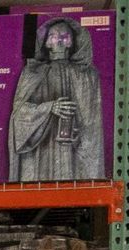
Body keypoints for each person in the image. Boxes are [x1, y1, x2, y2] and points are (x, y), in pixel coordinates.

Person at [9, 16, 105, 183]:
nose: (59, 41)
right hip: (40, 153)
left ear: (72, 42)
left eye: (64, 36)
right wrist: (49, 108)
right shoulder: (31, 74)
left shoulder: (87, 75)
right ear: (45, 42)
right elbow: (18, 117)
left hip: (72, 152)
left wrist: (77, 128)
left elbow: (92, 125)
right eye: (53, 36)